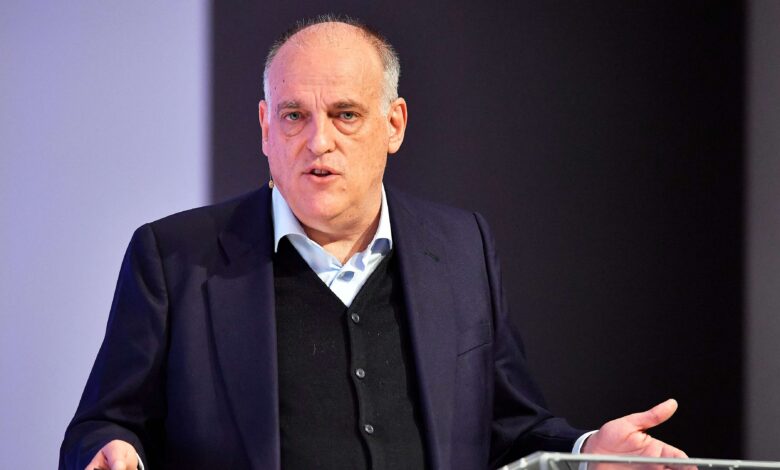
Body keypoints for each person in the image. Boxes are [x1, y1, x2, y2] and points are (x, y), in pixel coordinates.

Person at [60, 15, 688, 470]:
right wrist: (110, 450)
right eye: (294, 116)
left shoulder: (462, 249)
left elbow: (509, 423)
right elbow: (103, 425)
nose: (318, 142)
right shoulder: (175, 258)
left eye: (346, 115)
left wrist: (584, 452)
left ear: (394, 124)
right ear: (265, 128)